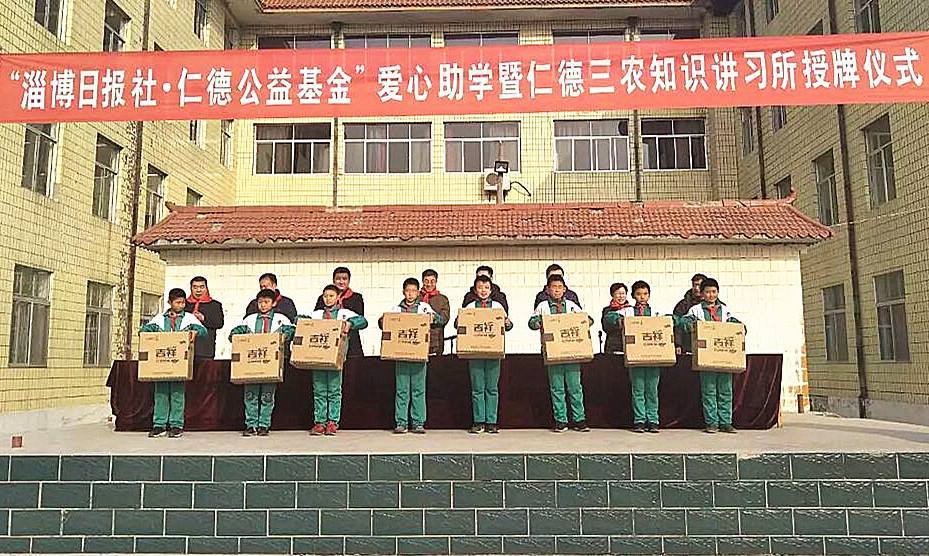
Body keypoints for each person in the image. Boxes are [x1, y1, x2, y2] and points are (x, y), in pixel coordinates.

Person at [604, 280, 687, 433]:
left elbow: (677, 320)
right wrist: (618, 320)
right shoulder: (627, 311)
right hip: (635, 357)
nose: (642, 297)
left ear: (649, 295)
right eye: (639, 294)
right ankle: (640, 420)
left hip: (654, 357)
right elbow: (608, 318)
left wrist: (670, 320)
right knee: (638, 389)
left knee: (652, 390)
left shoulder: (656, 311)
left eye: (645, 294)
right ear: (634, 296)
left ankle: (653, 420)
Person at [300, 285, 368, 436]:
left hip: (336, 358)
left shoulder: (344, 314)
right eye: (325, 296)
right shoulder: (317, 314)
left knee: (334, 391)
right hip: (317, 358)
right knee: (319, 391)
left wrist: (350, 324)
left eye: (331, 296)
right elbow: (301, 320)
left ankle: (332, 422)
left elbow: (363, 321)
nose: (328, 299)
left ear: (338, 297)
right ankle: (319, 422)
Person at [380, 277, 445, 434]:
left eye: (413, 291)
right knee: (402, 390)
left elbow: (441, 319)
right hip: (401, 355)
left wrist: (433, 317)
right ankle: (401, 422)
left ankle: (418, 422)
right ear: (404, 292)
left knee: (418, 389)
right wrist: (384, 320)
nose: (410, 294)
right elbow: (382, 323)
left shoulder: (424, 307)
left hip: (419, 354)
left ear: (418, 292)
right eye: (408, 291)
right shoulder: (396, 309)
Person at [140, 288, 207, 438]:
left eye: (183, 302)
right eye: (177, 302)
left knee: (177, 393)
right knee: (161, 393)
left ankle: (176, 424)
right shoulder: (159, 318)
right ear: (170, 302)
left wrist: (195, 331)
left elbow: (204, 332)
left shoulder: (189, 318)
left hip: (179, 363)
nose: (181, 305)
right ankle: (159, 424)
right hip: (161, 362)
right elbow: (143, 331)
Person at [529, 274, 590, 433]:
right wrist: (539, 322)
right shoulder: (542, 306)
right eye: (553, 287)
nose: (557, 290)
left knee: (575, 387)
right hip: (552, 353)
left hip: (572, 352)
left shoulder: (571, 305)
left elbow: (587, 320)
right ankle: (560, 420)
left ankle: (579, 419)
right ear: (548, 290)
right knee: (557, 388)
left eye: (559, 287)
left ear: (564, 289)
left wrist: (584, 321)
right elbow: (531, 323)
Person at [230, 289, 295, 437]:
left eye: (266, 302)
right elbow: (235, 333)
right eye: (260, 302)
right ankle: (250, 424)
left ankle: (264, 424)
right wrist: (235, 337)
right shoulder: (250, 319)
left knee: (267, 395)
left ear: (273, 303)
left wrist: (285, 336)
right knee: (250, 394)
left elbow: (292, 331)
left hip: (270, 363)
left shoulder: (281, 319)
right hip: (251, 363)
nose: (263, 305)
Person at [685, 278, 744, 434]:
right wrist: (691, 325)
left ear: (718, 292)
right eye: (708, 292)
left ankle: (726, 422)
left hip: (724, 355)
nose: (711, 295)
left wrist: (741, 329)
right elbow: (683, 323)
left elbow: (736, 324)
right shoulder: (695, 310)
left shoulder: (725, 310)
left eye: (714, 292)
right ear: (702, 294)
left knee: (725, 390)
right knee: (709, 390)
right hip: (706, 357)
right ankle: (712, 422)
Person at [460, 274, 513, 434]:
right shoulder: (470, 307)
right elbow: (459, 323)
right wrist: (460, 320)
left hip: (493, 352)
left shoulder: (497, 306)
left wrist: (507, 323)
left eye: (486, 288)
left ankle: (491, 421)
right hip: (475, 353)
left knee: (492, 388)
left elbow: (508, 325)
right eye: (480, 288)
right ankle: (479, 421)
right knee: (477, 388)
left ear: (491, 290)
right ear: (475, 290)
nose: (483, 291)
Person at [315, 267, 365, 357]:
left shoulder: (356, 297)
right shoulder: (323, 298)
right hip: (327, 341)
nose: (341, 282)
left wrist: (350, 323)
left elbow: (360, 318)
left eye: (344, 279)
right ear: (333, 280)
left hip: (350, 342)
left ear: (349, 280)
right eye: (338, 279)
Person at [185, 276, 224, 359]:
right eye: (195, 287)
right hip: (185, 348)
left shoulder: (215, 305)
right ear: (191, 288)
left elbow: (219, 323)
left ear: (206, 288)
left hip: (206, 350)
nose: (198, 290)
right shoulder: (184, 304)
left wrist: (203, 318)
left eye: (201, 287)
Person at [420, 269, 450, 356]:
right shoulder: (416, 297)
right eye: (426, 281)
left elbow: (445, 319)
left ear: (436, 282)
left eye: (432, 281)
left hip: (436, 342)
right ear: (422, 281)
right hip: (417, 340)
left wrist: (434, 318)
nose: (429, 284)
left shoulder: (442, 299)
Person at [600, 282, 630, 354]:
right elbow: (605, 327)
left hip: (628, 346)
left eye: (623, 293)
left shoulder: (631, 309)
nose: (621, 296)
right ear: (612, 295)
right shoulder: (607, 310)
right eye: (618, 293)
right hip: (613, 347)